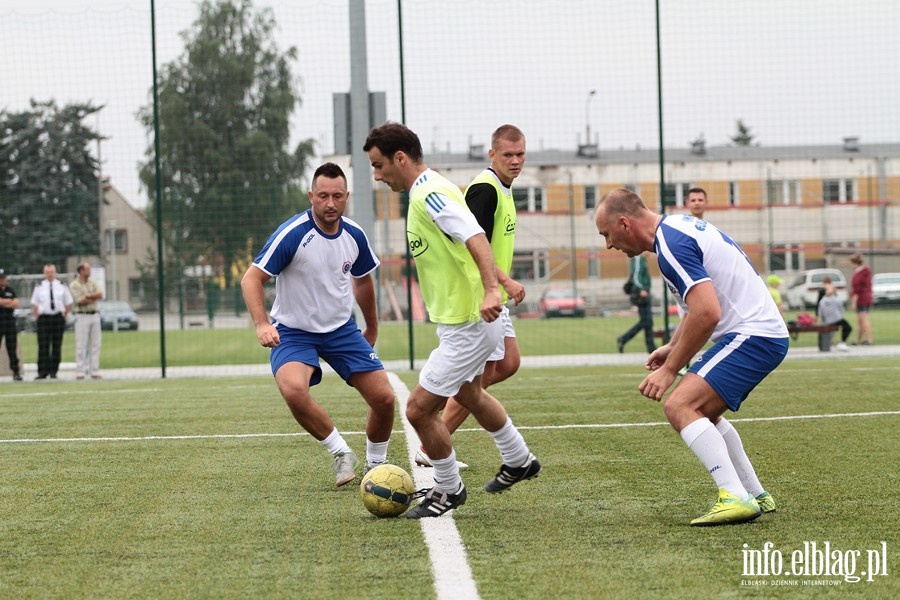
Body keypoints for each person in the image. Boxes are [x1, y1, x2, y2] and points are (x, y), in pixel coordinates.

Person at [364, 122, 541, 519]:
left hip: (470, 323)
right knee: (470, 394)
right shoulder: (426, 191)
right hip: (463, 319)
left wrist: (493, 291)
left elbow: (475, 236)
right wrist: (503, 281)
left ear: (400, 158)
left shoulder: (428, 193)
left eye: (378, 165)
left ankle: (448, 488)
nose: (377, 175)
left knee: (418, 410)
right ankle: (519, 459)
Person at [594, 189, 788, 526]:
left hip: (753, 334)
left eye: (606, 234)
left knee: (679, 406)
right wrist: (673, 346)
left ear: (624, 223)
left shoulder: (671, 245)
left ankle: (734, 496)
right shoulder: (675, 231)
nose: (609, 244)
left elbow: (708, 312)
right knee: (703, 413)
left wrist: (670, 370)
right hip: (760, 333)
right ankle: (754, 493)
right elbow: (695, 307)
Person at [241, 162, 395, 488]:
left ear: (346, 197)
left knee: (384, 399)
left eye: (337, 196)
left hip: (341, 329)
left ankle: (376, 466)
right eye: (323, 195)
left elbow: (363, 282)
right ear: (311, 195)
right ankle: (340, 452)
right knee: (294, 391)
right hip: (294, 332)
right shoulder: (292, 233)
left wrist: (372, 327)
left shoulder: (354, 234)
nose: (330, 203)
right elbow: (251, 278)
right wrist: (261, 324)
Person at [414, 124, 527, 470]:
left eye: (520, 154)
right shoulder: (485, 190)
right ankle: (431, 447)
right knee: (475, 381)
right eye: (507, 155)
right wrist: (503, 283)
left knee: (506, 364)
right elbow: (472, 242)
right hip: (481, 297)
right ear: (492, 154)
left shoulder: (504, 189)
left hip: (491, 295)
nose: (515, 161)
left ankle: (442, 439)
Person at [31, 264, 73, 380]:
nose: (50, 274)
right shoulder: (39, 286)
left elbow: (68, 302)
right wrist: (37, 316)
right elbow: (34, 303)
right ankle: (42, 372)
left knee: (56, 345)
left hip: (57, 318)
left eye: (51, 272)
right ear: (45, 273)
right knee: (43, 346)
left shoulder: (62, 286)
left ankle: (54, 371)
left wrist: (65, 315)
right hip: (44, 318)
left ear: (55, 272)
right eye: (47, 272)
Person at [69, 262, 104, 379]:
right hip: (82, 315)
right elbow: (80, 300)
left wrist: (89, 296)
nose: (89, 271)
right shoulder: (74, 284)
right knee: (81, 344)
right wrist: (93, 297)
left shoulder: (92, 282)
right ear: (81, 271)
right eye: (87, 269)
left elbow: (100, 294)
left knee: (96, 344)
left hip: (94, 315)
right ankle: (80, 370)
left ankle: (94, 370)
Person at [616, 253, 656, 354]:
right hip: (640, 294)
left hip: (644, 293)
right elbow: (636, 277)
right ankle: (623, 339)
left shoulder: (641, 260)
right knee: (646, 321)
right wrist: (642, 289)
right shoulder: (638, 259)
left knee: (647, 321)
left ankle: (651, 347)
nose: (650, 253)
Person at [0, 269, 23, 381]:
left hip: (9, 323)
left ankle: (16, 372)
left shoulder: (10, 290)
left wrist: (2, 302)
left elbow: (16, 303)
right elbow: (12, 302)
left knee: (12, 348)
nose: (2, 280)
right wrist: (8, 302)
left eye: (3, 278)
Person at [817, 282, 851, 352]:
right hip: (836, 319)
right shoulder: (837, 299)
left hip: (827, 320)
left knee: (832, 329)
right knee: (848, 327)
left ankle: (831, 342)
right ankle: (842, 342)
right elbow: (841, 310)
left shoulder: (823, 300)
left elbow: (820, 312)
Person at [849, 253, 873, 345]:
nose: (850, 266)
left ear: (855, 263)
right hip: (868, 298)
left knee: (864, 319)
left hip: (861, 299)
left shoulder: (858, 275)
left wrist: (853, 303)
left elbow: (857, 290)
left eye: (851, 264)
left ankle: (869, 340)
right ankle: (858, 340)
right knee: (860, 321)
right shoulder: (866, 272)